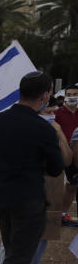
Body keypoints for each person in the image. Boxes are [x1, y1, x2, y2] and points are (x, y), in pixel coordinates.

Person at [0, 71, 65, 264]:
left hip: (3, 197)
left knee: (13, 250)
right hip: (29, 199)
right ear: (45, 96)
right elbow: (56, 168)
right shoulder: (43, 127)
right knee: (19, 257)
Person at [54, 84, 78, 226]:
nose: (72, 97)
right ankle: (56, 215)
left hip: (77, 155)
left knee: (72, 186)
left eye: (75, 94)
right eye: (69, 95)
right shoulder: (57, 113)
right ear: (64, 97)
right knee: (58, 184)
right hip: (61, 153)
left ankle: (63, 213)